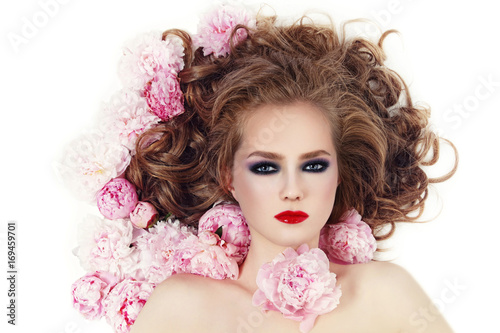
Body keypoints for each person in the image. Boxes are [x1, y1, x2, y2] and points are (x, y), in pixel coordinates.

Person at [124, 6, 456, 333]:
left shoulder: (384, 294)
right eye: (266, 167)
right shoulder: (182, 307)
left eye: (313, 165)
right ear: (229, 178)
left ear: (339, 173)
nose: (292, 189)